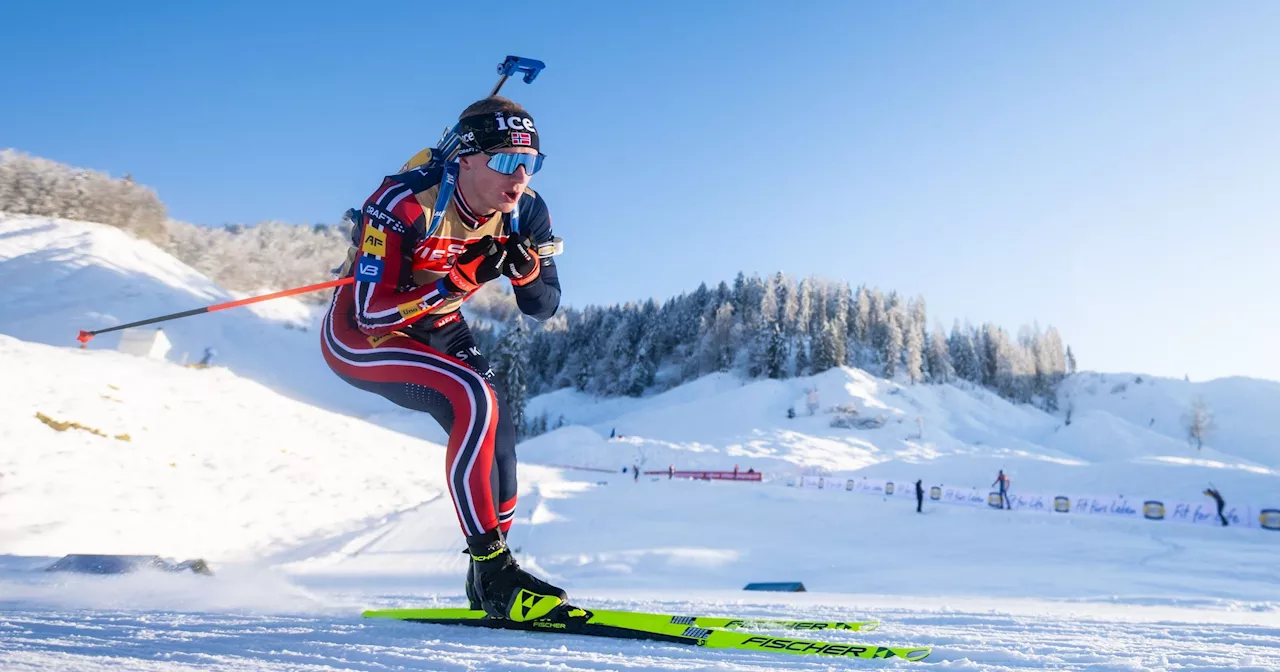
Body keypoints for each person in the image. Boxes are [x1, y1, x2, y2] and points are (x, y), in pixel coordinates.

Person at [320, 95, 565, 622]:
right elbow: (370, 314)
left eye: (531, 162)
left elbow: (543, 304)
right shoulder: (404, 201)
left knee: (497, 426)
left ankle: (487, 580)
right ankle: (494, 568)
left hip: (437, 324)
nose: (519, 175)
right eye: (505, 160)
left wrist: (523, 273)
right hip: (363, 336)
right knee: (469, 394)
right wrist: (454, 282)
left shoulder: (526, 209)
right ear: (466, 159)